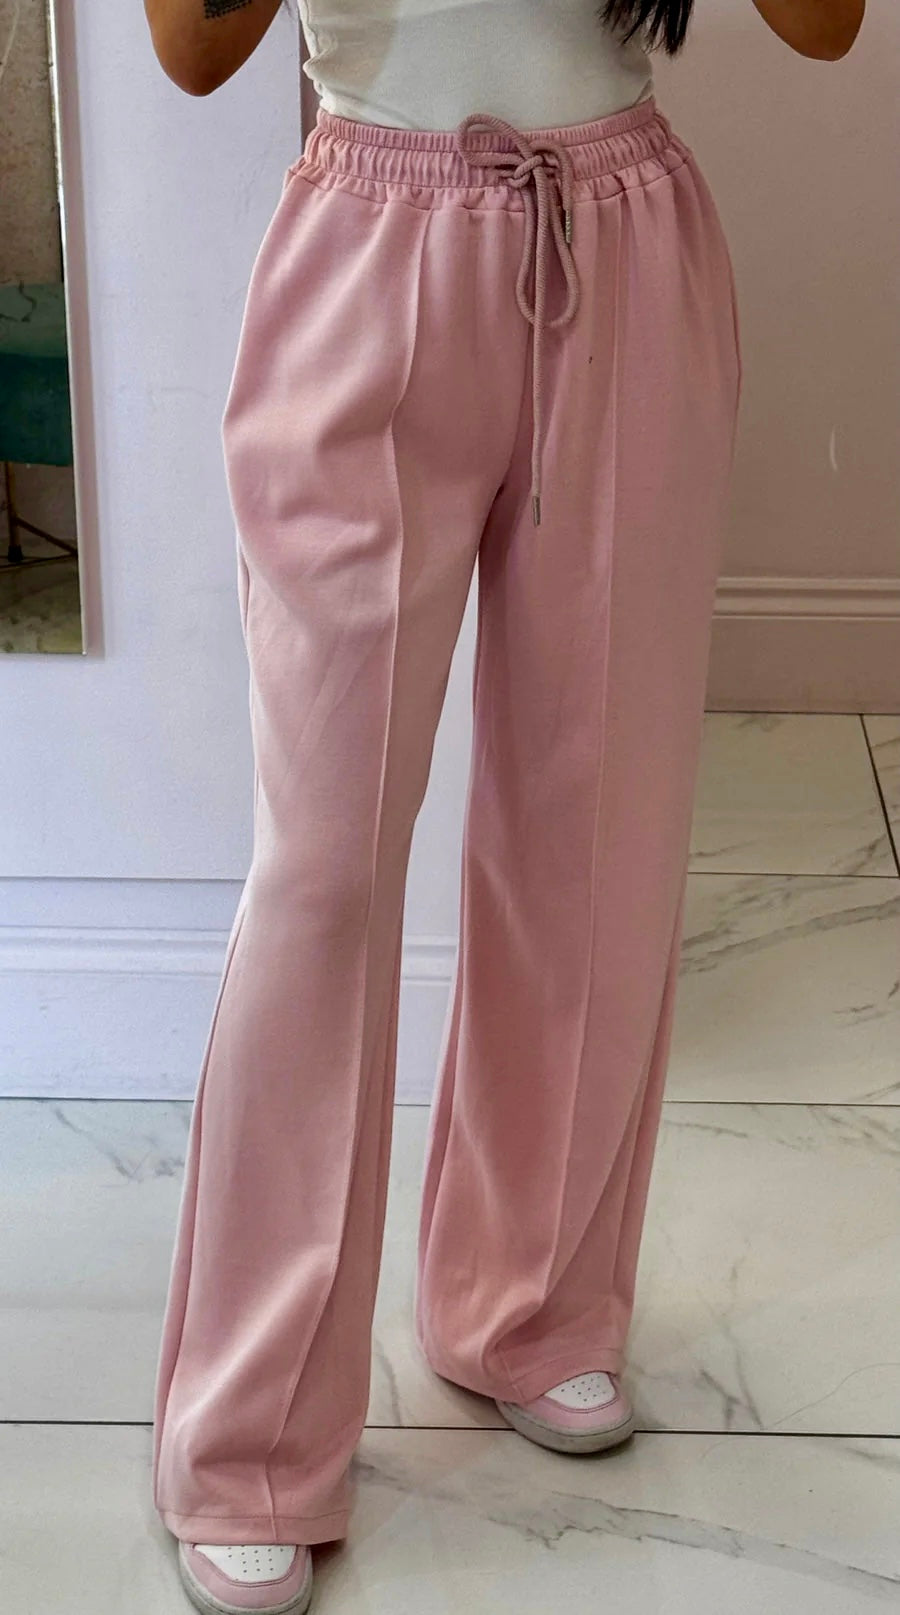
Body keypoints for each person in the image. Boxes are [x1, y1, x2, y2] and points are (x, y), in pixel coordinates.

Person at [143, 1, 865, 1610]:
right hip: (368, 243)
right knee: (323, 867)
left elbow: (826, 30)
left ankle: (528, 1303)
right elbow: (192, 50)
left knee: (597, 833)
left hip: (622, 239)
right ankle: (253, 1432)